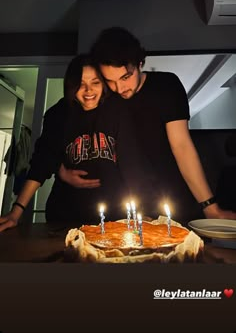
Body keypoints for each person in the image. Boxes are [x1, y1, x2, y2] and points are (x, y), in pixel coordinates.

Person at [59, 27, 236, 222]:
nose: (119, 88)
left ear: (140, 63)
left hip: (172, 199)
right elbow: (64, 127)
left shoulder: (166, 86)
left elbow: (182, 146)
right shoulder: (105, 97)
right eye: (110, 80)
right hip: (124, 208)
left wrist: (210, 207)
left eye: (125, 77)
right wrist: (61, 171)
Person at [0, 54, 156, 232]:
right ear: (71, 86)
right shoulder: (58, 114)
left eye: (95, 82)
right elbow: (41, 162)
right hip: (66, 216)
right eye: (81, 84)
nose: (88, 90)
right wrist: (16, 212)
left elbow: (133, 163)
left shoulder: (117, 110)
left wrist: (144, 210)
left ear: (104, 84)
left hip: (113, 218)